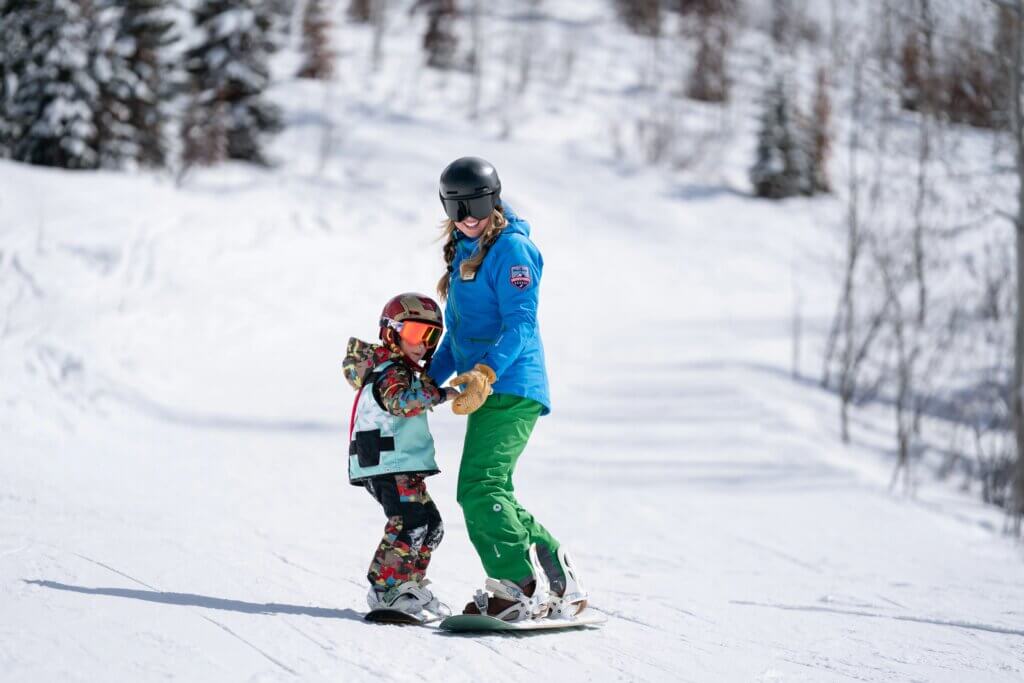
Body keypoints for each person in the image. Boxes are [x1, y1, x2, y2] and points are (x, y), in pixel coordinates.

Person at [427, 156, 589, 622]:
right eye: (457, 208)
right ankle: (555, 575)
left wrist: (485, 373)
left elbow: (520, 324)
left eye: (475, 203)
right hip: (489, 385)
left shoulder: (512, 251)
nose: (468, 216)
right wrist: (425, 382)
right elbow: (461, 335)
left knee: (479, 487)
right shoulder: (462, 250)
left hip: (512, 382)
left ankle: (515, 586)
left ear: (493, 198)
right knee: (492, 488)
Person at [343, 293, 458, 618]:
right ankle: (386, 589)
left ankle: (409, 584)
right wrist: (439, 393)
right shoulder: (390, 370)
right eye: (413, 333)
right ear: (392, 332)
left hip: (401, 464)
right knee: (409, 522)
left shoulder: (404, 369)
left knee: (430, 525)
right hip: (387, 463)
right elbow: (399, 402)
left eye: (430, 336)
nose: (421, 344)